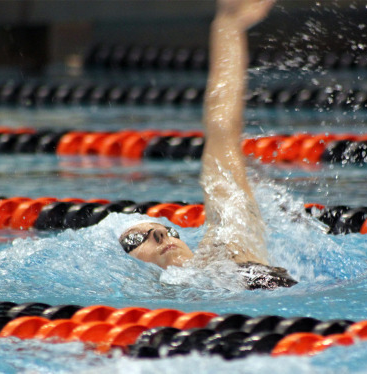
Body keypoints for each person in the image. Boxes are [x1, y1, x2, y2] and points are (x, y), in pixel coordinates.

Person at [119, 0, 297, 290]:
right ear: (129, 267)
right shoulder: (159, 299)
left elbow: (222, 126)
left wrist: (228, 25)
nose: (160, 237)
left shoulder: (227, 241)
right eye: (136, 240)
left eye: (164, 230)